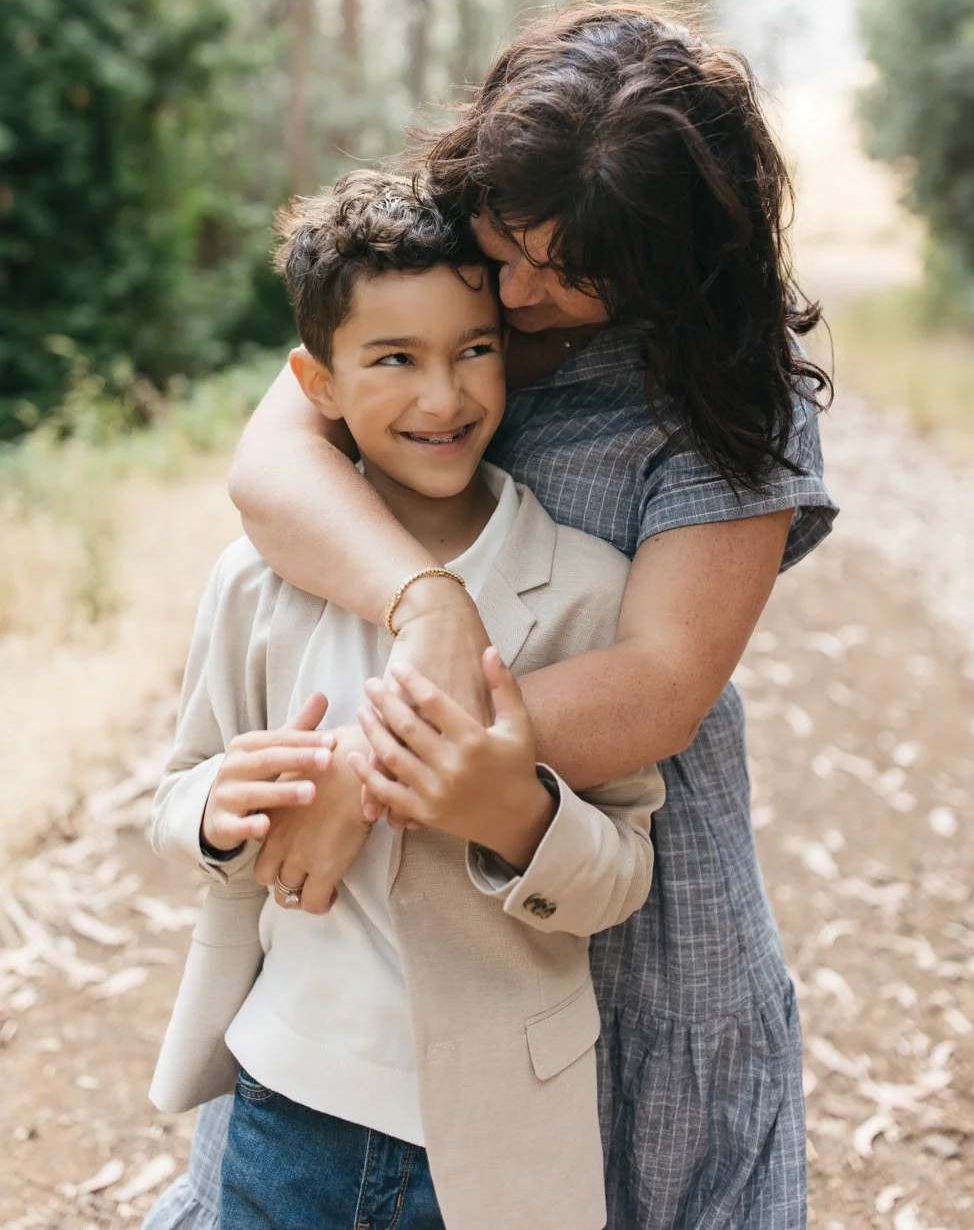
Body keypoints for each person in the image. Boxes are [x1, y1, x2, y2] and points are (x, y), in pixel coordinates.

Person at [147, 0, 838, 1230]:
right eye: (505, 241)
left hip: (601, 858)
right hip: (364, 968)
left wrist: (375, 759)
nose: (511, 293)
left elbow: (659, 683)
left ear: (668, 263)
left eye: (565, 272)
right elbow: (272, 471)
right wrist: (426, 607)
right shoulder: (434, 288)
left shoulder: (725, 391)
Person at [147, 170, 664, 1230]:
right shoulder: (254, 583)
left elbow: (622, 871)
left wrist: (515, 815)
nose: (444, 397)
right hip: (284, 1102)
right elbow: (173, 793)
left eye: (473, 350)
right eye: (394, 359)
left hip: (497, 1145)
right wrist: (214, 807)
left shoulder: (583, 590)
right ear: (318, 382)